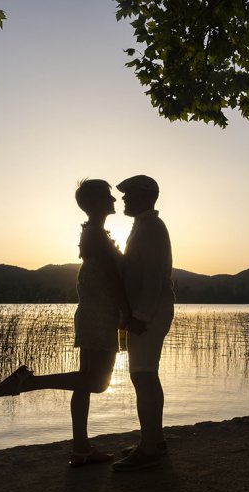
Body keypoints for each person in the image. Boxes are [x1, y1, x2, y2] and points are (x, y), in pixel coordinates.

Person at [0, 179, 129, 467]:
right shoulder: (97, 237)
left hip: (91, 312)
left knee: (84, 383)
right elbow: (113, 280)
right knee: (98, 383)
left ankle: (81, 448)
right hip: (100, 314)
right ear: (97, 202)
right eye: (108, 196)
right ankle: (29, 382)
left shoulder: (92, 234)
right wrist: (126, 314)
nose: (114, 200)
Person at [110, 174, 175, 472]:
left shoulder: (150, 228)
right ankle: (154, 440)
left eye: (129, 194)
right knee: (146, 376)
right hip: (146, 313)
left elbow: (155, 277)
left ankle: (149, 448)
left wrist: (140, 317)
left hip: (148, 314)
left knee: (144, 377)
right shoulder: (144, 226)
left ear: (147, 196)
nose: (123, 198)